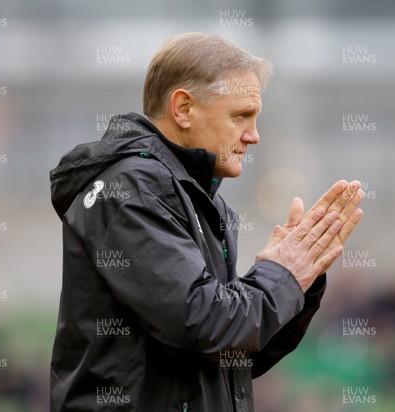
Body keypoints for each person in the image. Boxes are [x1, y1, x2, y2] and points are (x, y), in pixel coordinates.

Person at [49, 32, 363, 411]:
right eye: (241, 116)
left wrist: (300, 279)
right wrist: (281, 275)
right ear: (183, 108)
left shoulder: (197, 202)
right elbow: (205, 324)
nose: (254, 136)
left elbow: (234, 356)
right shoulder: (130, 191)